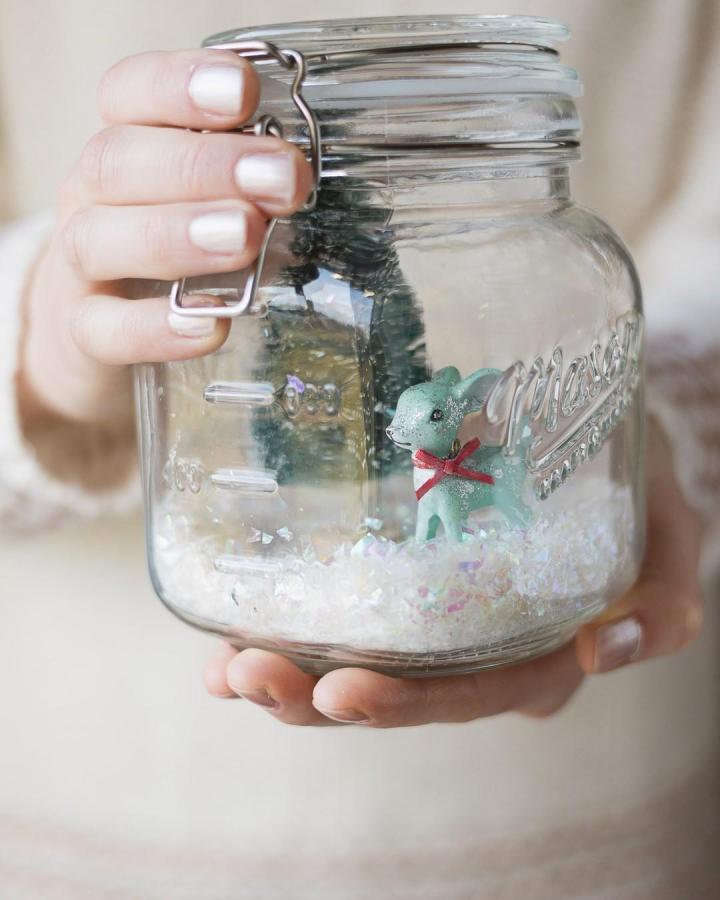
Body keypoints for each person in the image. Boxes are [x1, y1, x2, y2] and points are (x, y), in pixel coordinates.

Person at [1, 2, 718, 896]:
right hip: (100, 821)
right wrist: (42, 342)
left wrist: (660, 415)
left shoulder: (576, 260)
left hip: (609, 816)